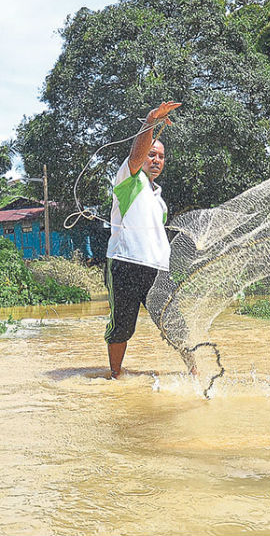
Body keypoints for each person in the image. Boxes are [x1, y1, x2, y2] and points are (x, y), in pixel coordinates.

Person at [104, 101, 190, 379]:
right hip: (125, 264)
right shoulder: (127, 181)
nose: (155, 160)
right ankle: (116, 378)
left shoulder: (160, 200)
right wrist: (151, 121)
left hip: (157, 270)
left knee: (175, 324)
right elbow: (135, 154)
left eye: (161, 156)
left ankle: (196, 374)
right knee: (122, 327)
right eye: (151, 154)